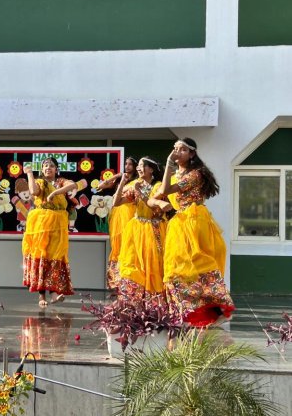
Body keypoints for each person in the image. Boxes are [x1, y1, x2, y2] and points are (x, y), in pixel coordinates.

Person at [157, 138, 235, 327]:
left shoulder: (195, 174)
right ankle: (188, 313)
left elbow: (165, 190)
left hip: (194, 220)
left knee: (198, 263)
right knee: (176, 268)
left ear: (192, 153)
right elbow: (159, 193)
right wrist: (158, 201)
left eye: (182, 149)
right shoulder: (177, 174)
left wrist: (168, 163)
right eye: (175, 148)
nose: (177, 152)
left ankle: (218, 309)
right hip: (180, 222)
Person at [114, 157, 171, 307]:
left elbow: (153, 206)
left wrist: (139, 190)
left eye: (141, 166)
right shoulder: (135, 185)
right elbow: (116, 203)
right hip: (136, 229)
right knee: (133, 263)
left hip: (154, 228)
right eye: (138, 166)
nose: (138, 168)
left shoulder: (158, 186)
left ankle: (155, 303)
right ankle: (133, 301)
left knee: (153, 264)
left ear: (151, 169)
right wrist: (122, 182)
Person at [22, 157, 77, 307]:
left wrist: (55, 193)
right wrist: (29, 173)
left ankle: (53, 293)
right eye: (45, 165)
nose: (48, 168)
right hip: (41, 224)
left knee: (55, 257)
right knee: (42, 256)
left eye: (51, 166)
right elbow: (34, 191)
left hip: (58, 224)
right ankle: (42, 295)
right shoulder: (40, 182)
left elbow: (72, 185)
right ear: (42, 169)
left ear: (56, 169)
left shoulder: (60, 182)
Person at [98, 157, 138, 289]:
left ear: (135, 166)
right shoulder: (120, 180)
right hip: (117, 214)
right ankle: (116, 282)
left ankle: (129, 280)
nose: (127, 166)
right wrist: (117, 176)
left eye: (130, 164)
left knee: (128, 244)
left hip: (129, 214)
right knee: (117, 245)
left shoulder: (137, 181)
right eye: (126, 164)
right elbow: (101, 186)